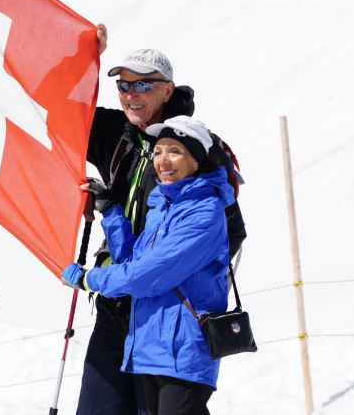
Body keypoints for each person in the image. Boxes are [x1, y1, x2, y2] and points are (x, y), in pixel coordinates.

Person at [75, 27, 247, 415]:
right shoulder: (111, 133)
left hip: (165, 312)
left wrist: (172, 283)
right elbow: (58, 108)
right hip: (117, 304)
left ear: (168, 89)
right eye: (123, 85)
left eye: (144, 84)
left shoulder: (202, 147)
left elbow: (230, 230)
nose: (131, 94)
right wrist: (85, 59)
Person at [63, 115, 234, 415]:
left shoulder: (204, 212)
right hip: (150, 349)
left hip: (182, 354)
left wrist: (91, 280)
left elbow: (150, 274)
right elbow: (132, 261)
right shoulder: (162, 206)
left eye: (175, 151)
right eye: (158, 152)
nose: (162, 161)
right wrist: (112, 211)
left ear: (197, 159)